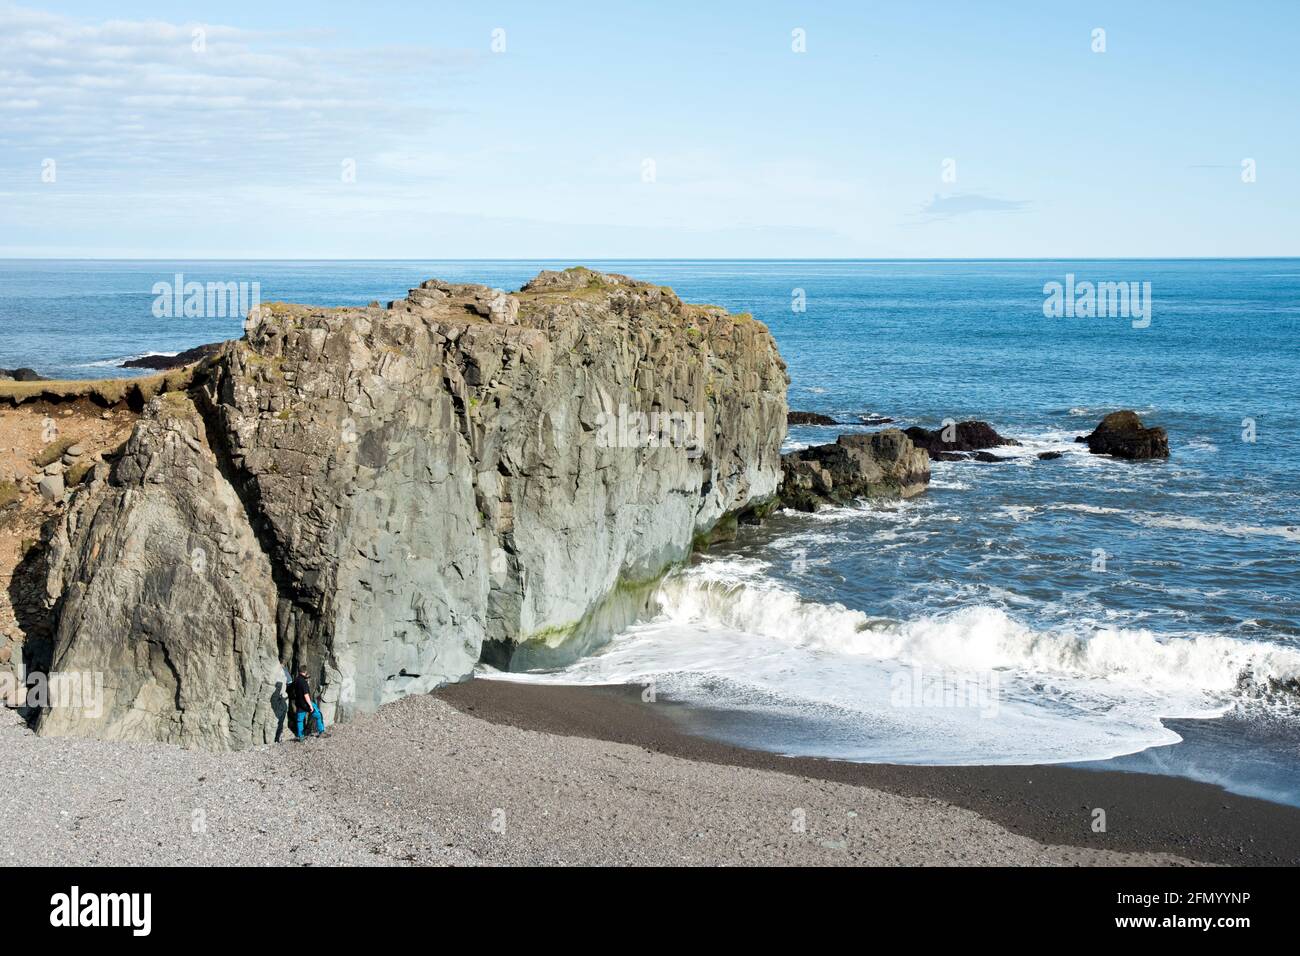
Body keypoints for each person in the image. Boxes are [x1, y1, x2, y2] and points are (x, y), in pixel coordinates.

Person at [292, 665, 327, 739]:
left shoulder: (296, 680)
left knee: (300, 720)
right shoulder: (303, 682)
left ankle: (301, 737)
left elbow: (294, 692)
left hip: (299, 704)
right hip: (306, 704)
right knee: (318, 715)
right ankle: (321, 732)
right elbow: (306, 695)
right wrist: (310, 705)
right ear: (305, 672)